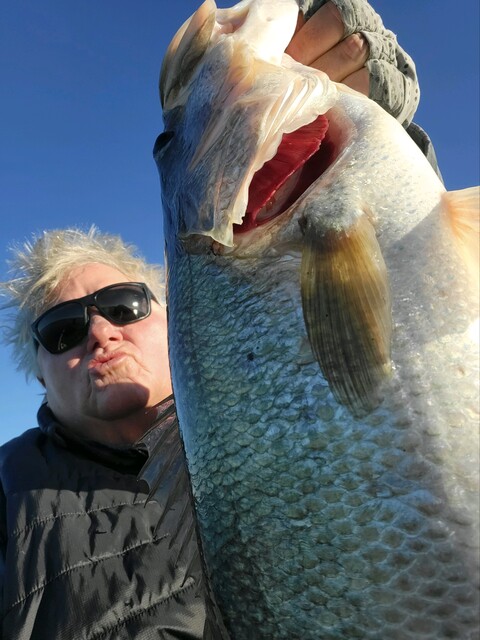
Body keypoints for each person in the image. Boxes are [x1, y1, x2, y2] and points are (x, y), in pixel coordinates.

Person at [0, 2, 437, 638]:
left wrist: (381, 122)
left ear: (172, 317)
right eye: (61, 331)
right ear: (37, 373)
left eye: (122, 306)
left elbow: (425, 328)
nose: (100, 332)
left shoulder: (273, 353)